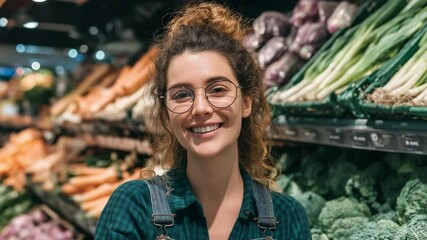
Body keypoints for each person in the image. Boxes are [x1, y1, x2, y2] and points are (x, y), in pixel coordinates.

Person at [95, 2, 311, 239]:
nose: (200, 108)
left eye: (218, 90)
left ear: (246, 102)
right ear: (167, 112)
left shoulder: (287, 217)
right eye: (182, 95)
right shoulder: (134, 207)